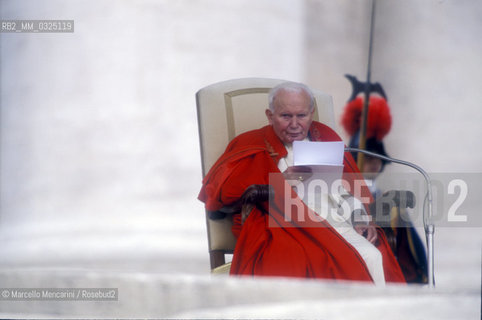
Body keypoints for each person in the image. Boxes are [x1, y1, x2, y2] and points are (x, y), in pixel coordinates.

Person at [198, 81, 405, 284]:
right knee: (319, 260)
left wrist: (360, 216)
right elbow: (221, 195)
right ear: (270, 116)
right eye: (286, 116)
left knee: (374, 255)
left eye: (302, 116)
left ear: (311, 113)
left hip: (337, 223)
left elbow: (345, 190)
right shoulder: (250, 143)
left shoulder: (324, 137)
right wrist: (280, 183)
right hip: (285, 228)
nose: (295, 125)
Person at [340, 84, 428, 284]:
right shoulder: (341, 185)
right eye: (369, 159)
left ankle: (412, 275)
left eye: (378, 159)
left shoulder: (381, 193)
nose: (375, 163)